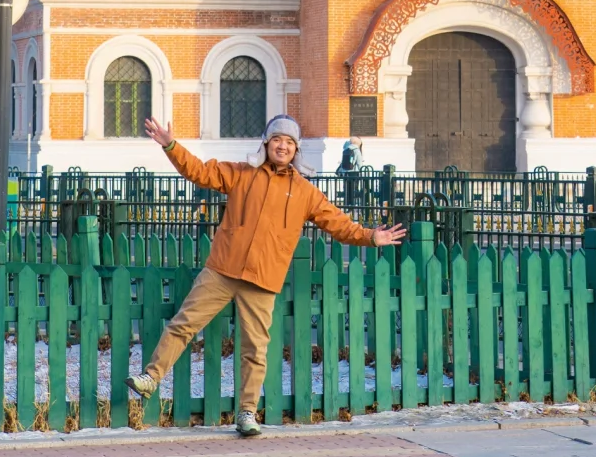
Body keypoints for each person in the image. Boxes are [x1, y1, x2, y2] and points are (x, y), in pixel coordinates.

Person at [128, 114, 406, 436]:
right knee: (184, 324)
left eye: (289, 142)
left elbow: (338, 224)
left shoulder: (305, 192)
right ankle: (151, 377)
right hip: (223, 268)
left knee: (254, 349)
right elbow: (200, 172)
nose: (282, 146)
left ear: (296, 149)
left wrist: (371, 236)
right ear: (266, 143)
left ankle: (246, 413)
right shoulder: (241, 174)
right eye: (277, 140)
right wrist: (171, 146)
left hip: (263, 279)